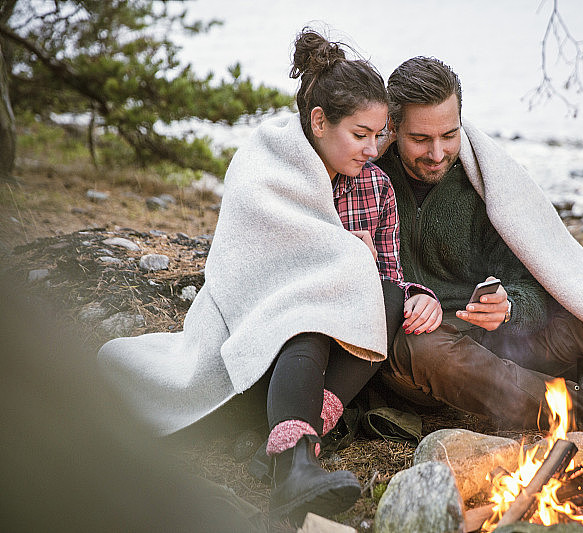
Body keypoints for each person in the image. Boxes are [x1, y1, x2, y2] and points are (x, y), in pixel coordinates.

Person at [99, 31, 441, 523]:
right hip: (256, 343)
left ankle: (289, 450)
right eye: (360, 134)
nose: (373, 148)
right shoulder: (265, 165)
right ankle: (294, 465)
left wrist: (417, 297)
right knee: (312, 302)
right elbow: (250, 269)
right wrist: (344, 253)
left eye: (380, 134)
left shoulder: (376, 187)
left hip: (315, 366)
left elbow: (386, 276)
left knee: (384, 295)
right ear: (319, 122)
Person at [373, 56, 583, 438]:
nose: (437, 154)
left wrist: (508, 306)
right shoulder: (364, 179)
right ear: (393, 127)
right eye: (420, 139)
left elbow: (536, 281)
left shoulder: (481, 185)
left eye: (449, 135)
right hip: (429, 358)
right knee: (426, 349)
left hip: (502, 342)